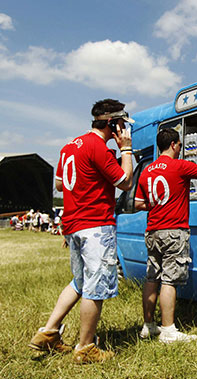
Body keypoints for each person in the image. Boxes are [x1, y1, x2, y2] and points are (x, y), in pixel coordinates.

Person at [28, 99, 134, 363]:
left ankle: (49, 331)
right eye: (122, 124)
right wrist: (127, 150)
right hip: (96, 225)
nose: (124, 129)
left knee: (80, 282)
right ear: (113, 123)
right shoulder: (99, 148)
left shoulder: (68, 147)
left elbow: (61, 186)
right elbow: (126, 181)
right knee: (95, 288)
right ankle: (85, 348)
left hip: (73, 224)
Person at [134, 128, 197, 343]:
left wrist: (157, 204)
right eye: (179, 145)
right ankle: (168, 330)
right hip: (173, 230)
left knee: (152, 278)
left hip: (152, 230)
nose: (180, 149)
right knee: (169, 281)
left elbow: (138, 203)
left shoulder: (147, 171)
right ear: (173, 145)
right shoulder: (180, 166)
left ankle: (148, 325)